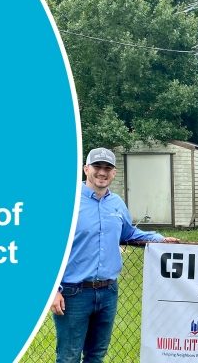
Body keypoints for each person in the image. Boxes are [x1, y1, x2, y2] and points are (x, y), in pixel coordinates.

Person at [51, 147, 178, 363]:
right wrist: (53, 291)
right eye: (97, 167)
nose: (102, 172)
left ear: (114, 172)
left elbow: (129, 233)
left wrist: (158, 238)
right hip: (73, 294)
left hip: (108, 292)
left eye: (107, 168)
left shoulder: (117, 204)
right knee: (68, 357)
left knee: (96, 356)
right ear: (85, 169)